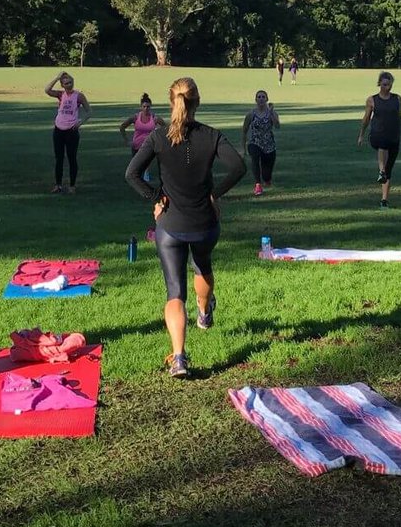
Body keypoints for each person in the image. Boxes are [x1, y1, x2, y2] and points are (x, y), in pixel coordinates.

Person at [125, 77, 246, 378]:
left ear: (171, 102)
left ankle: (179, 357)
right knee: (202, 266)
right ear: (198, 101)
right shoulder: (212, 135)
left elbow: (131, 173)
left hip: (170, 225)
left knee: (174, 291)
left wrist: (156, 197)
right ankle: (204, 313)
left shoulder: (158, 137)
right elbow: (239, 167)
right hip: (205, 222)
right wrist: (214, 194)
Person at [358, 72, 401, 208]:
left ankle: (384, 200)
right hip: (377, 135)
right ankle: (381, 170)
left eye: (389, 84)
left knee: (389, 170)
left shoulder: (398, 99)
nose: (387, 87)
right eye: (384, 85)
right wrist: (361, 134)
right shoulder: (372, 100)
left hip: (393, 136)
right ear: (379, 84)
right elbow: (366, 119)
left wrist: (400, 134)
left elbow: (399, 117)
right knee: (382, 143)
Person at [45, 70, 89, 194]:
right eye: (66, 83)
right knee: (59, 158)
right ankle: (58, 185)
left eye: (70, 82)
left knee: (72, 158)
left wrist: (80, 122)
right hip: (58, 129)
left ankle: (72, 186)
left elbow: (89, 111)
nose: (69, 85)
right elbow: (47, 90)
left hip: (72, 131)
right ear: (62, 85)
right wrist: (56, 77)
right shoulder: (60, 95)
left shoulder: (79, 96)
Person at [241, 90, 281, 196]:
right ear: (256, 100)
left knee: (266, 174)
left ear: (267, 99)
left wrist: (272, 111)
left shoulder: (271, 113)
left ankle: (266, 180)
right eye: (259, 97)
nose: (261, 99)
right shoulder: (251, 114)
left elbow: (277, 126)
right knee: (255, 159)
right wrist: (243, 148)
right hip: (254, 142)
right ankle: (258, 185)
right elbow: (244, 130)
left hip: (269, 145)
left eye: (263, 97)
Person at [118, 93, 159, 183]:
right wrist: (127, 141)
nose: (146, 109)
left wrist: (159, 138)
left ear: (150, 107)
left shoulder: (154, 118)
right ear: (141, 107)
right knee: (135, 167)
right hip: (136, 146)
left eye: (148, 107)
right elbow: (122, 127)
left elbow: (166, 127)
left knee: (146, 164)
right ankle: (138, 181)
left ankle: (145, 179)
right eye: (144, 106)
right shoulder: (136, 117)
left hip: (149, 146)